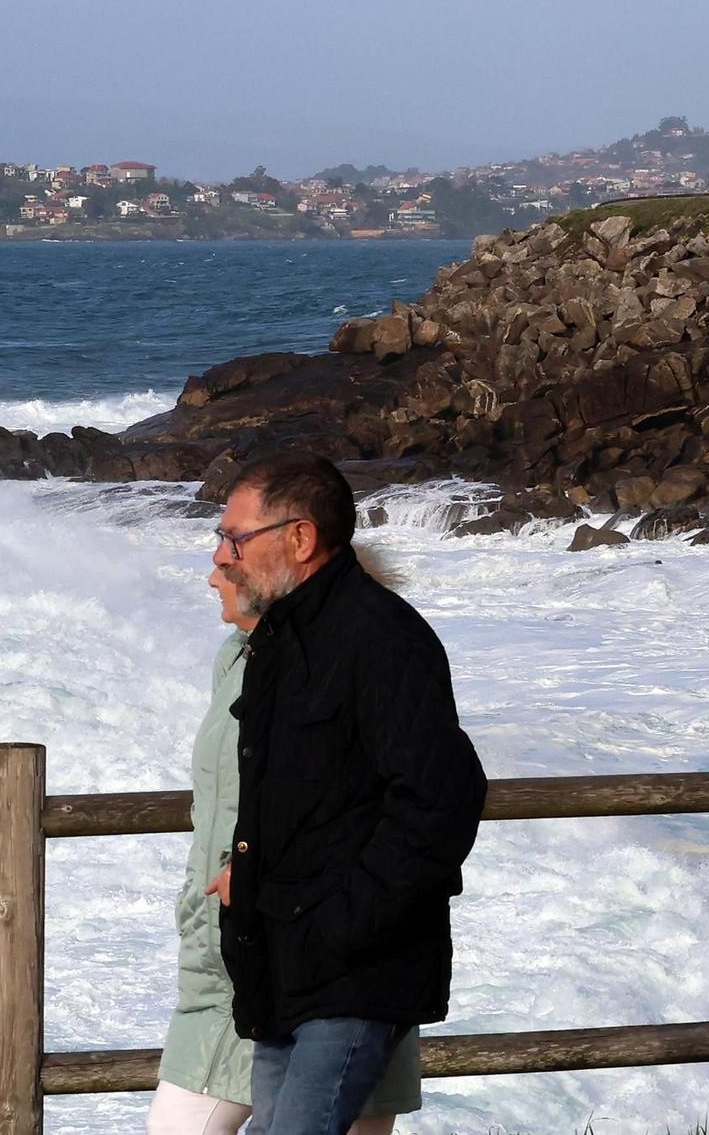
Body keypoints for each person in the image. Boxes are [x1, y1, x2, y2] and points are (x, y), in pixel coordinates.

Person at [206, 451, 485, 1135]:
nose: (223, 554)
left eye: (235, 538)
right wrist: (253, 876)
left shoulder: (383, 638)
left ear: (299, 539)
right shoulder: (278, 643)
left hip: (350, 973)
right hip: (281, 971)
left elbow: (441, 799)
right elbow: (299, 794)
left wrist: (342, 924)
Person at [148, 563, 418, 1135]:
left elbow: (412, 800)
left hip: (332, 953)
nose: (211, 578)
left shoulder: (359, 660)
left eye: (228, 562)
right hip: (227, 950)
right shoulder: (237, 656)